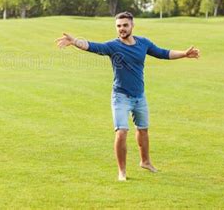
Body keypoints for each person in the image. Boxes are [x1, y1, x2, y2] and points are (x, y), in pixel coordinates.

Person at [56, 11, 200, 181]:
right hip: (120, 96)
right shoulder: (113, 46)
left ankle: (145, 162)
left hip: (139, 95)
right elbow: (92, 46)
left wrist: (184, 53)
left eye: (125, 25)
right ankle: (122, 171)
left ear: (132, 25)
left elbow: (163, 53)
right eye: (118, 26)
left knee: (143, 129)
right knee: (122, 132)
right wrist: (74, 42)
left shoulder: (143, 43)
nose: (121, 29)